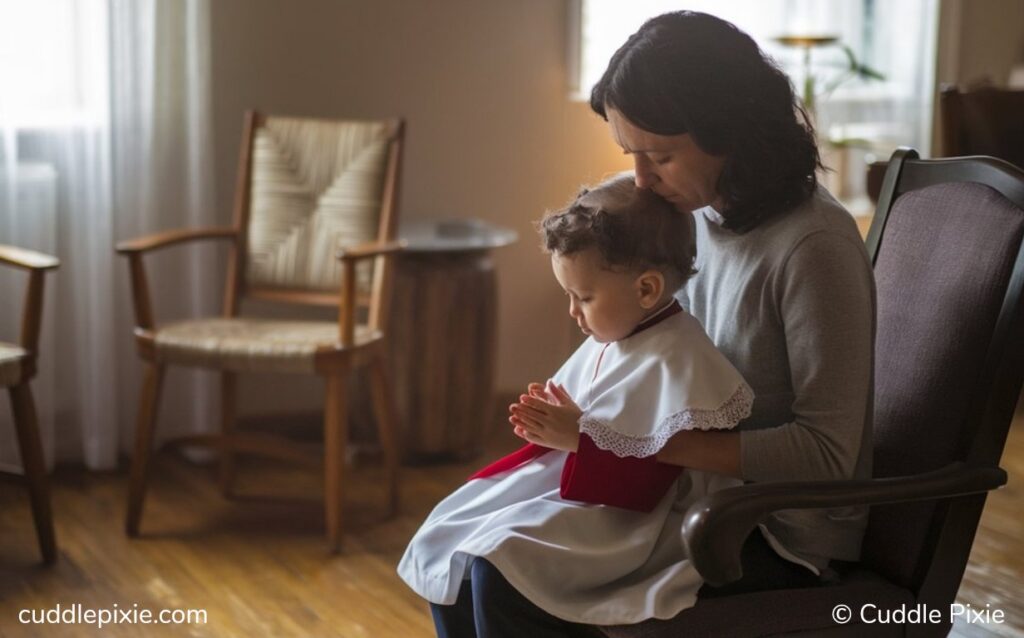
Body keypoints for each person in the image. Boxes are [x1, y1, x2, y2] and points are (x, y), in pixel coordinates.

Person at [518, 9, 875, 610]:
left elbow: (826, 455)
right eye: (629, 152)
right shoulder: (690, 213)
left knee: (513, 581)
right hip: (683, 494)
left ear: (727, 130)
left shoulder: (815, 248)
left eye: (658, 156)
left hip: (769, 531)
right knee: (475, 553)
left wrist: (619, 439)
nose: (641, 179)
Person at [398, 174, 755, 636]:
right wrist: (554, 426)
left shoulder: (680, 359)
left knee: (496, 563)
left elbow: (649, 480)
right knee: (450, 532)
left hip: (638, 527)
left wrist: (576, 436)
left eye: (583, 297)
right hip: (589, 498)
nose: (572, 312)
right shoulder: (625, 331)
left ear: (646, 290)